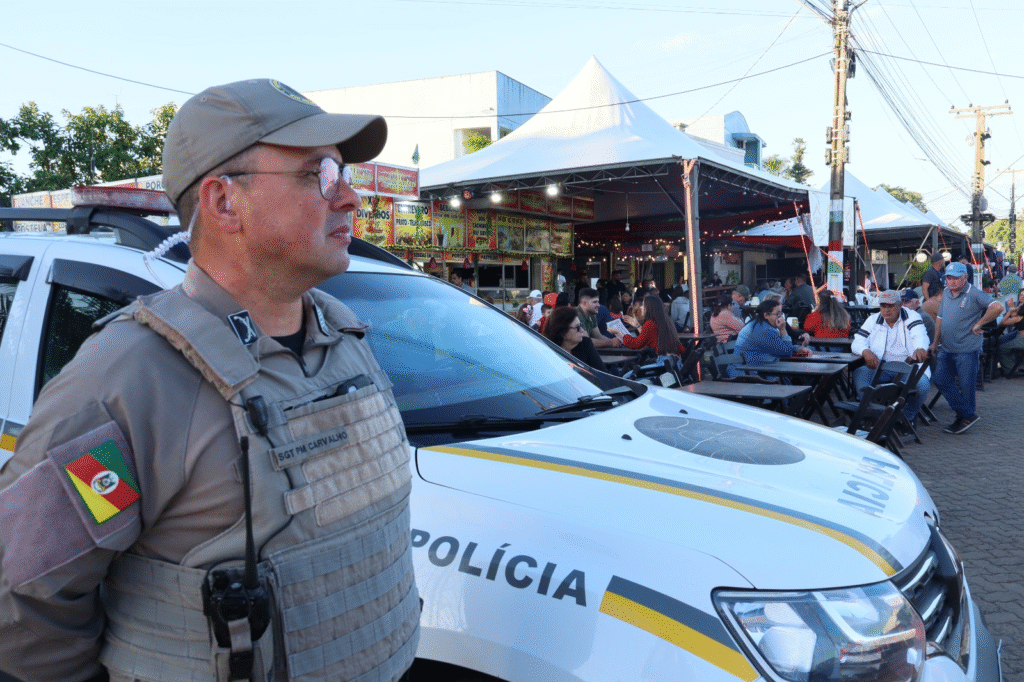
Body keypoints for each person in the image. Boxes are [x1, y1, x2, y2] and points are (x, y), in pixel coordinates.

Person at [0, 79, 420, 681]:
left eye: (342, 172)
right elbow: (22, 598)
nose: (350, 197)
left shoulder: (345, 339)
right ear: (224, 203)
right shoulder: (130, 378)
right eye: (319, 174)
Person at [930, 261, 1004, 434]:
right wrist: (935, 342)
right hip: (946, 347)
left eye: (956, 278)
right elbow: (940, 318)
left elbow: (998, 307)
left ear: (965, 277)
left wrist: (979, 323)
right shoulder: (946, 292)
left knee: (966, 386)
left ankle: (963, 417)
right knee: (940, 379)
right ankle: (967, 414)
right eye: (949, 277)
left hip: (967, 349)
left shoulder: (974, 293)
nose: (952, 281)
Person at [850, 290, 931, 425]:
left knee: (922, 386)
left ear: (900, 305)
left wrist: (920, 347)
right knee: (860, 373)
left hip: (908, 368)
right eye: (883, 306)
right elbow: (858, 340)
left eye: (891, 306)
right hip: (881, 367)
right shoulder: (873, 319)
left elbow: (919, 334)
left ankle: (906, 418)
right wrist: (865, 351)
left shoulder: (911, 316)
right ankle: (871, 414)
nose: (886, 310)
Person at [729, 300, 810, 377]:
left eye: (781, 313)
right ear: (766, 315)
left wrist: (797, 348)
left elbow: (780, 348)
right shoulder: (764, 329)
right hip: (748, 375)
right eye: (777, 314)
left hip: (751, 370)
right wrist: (783, 330)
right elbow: (787, 352)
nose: (781, 317)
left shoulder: (759, 324)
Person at [610, 294, 684, 357]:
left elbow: (636, 344)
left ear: (650, 307)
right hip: (672, 361)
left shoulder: (650, 324)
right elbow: (648, 338)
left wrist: (619, 332)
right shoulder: (666, 320)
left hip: (661, 362)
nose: (641, 307)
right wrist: (638, 326)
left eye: (643, 305)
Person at [544, 306, 607, 372]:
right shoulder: (550, 355)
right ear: (563, 333)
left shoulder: (585, 343)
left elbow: (602, 372)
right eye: (577, 327)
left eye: (581, 325)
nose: (582, 330)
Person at [996, 289, 1024, 377]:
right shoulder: (1021, 306)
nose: (1022, 297)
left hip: (1022, 337)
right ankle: (1011, 364)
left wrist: (1010, 311)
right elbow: (1016, 318)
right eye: (1021, 295)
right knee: (1001, 340)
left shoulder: (1022, 310)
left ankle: (1010, 370)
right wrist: (1012, 308)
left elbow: (1003, 322)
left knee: (1002, 348)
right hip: (1019, 333)